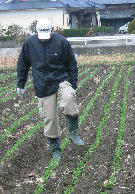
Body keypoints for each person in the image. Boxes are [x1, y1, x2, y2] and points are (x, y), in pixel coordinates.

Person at [16, 19, 84, 161]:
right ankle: (55, 148)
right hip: (42, 84)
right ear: (37, 31)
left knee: (69, 97)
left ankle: (72, 132)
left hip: (61, 79)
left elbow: (71, 63)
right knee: (50, 118)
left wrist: (73, 84)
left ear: (52, 30)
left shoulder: (61, 42)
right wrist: (20, 83)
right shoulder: (30, 43)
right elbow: (23, 64)